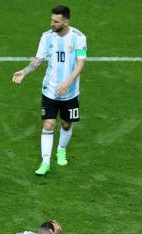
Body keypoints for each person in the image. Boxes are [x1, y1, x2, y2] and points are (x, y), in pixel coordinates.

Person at [12, 5, 87, 176]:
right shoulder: (47, 37)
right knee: (49, 124)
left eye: (56, 21)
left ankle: (61, 149)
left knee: (67, 124)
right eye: (51, 20)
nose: (52, 24)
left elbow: (81, 63)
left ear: (66, 21)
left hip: (70, 91)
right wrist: (24, 71)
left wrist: (67, 83)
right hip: (50, 90)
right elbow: (38, 60)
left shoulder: (79, 38)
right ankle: (45, 162)